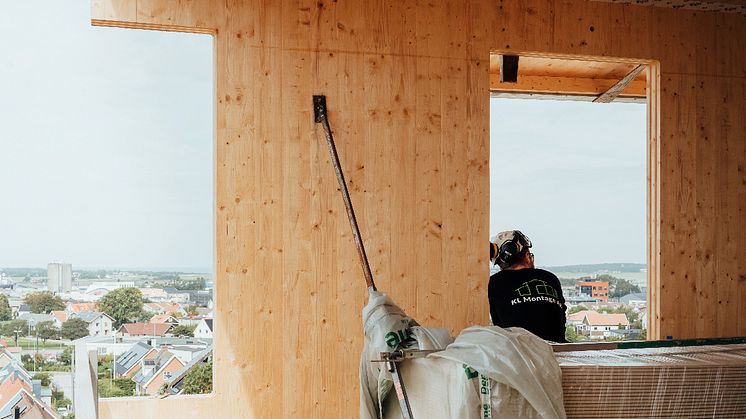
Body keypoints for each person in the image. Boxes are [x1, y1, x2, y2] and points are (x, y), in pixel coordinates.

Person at [488, 230, 567, 343]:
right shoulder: (551, 278)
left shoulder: (494, 283)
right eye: (528, 253)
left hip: (518, 354)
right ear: (526, 256)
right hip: (556, 353)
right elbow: (561, 321)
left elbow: (499, 324)